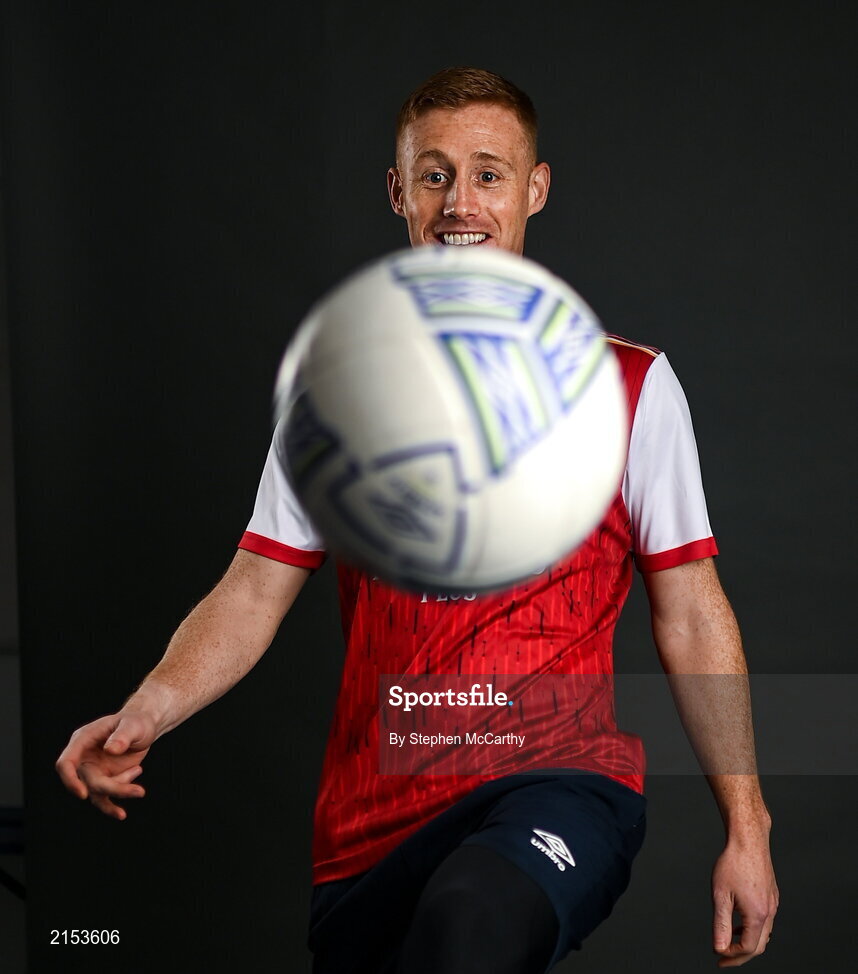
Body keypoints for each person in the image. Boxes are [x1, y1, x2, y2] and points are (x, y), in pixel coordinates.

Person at [56, 67, 778, 972]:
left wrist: (747, 826)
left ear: (534, 190)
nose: (460, 203)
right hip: (371, 827)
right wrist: (146, 709)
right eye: (435, 175)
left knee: (472, 922)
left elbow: (692, 612)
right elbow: (252, 592)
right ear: (399, 193)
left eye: (488, 174)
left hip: (559, 781)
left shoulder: (629, 388)